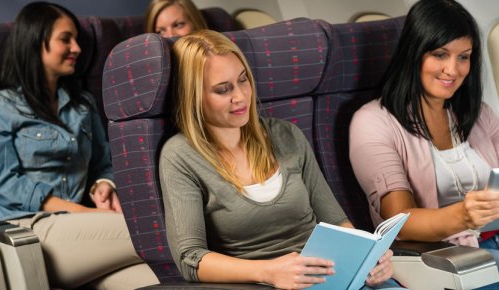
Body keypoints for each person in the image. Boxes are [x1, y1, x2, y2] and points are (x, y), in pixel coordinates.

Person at [159, 29, 400, 290]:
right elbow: (190, 258)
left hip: (329, 277)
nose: (240, 96)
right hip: (261, 283)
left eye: (243, 80)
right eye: (223, 89)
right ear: (194, 97)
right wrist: (269, 272)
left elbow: (337, 222)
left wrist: (369, 257)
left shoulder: (285, 135)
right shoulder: (180, 156)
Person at [0, 2, 158, 289]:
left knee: (157, 279)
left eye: (76, 39)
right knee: (155, 228)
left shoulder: (83, 105)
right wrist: (86, 213)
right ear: (34, 41)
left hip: (83, 230)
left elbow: (104, 162)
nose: (77, 48)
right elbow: (3, 183)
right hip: (28, 229)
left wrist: (103, 185)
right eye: (65, 39)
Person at [349, 0, 499, 282]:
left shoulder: (479, 114)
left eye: (463, 57)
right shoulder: (372, 122)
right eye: (440, 55)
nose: (453, 70)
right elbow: (399, 222)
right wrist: (464, 216)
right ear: (414, 53)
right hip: (442, 256)